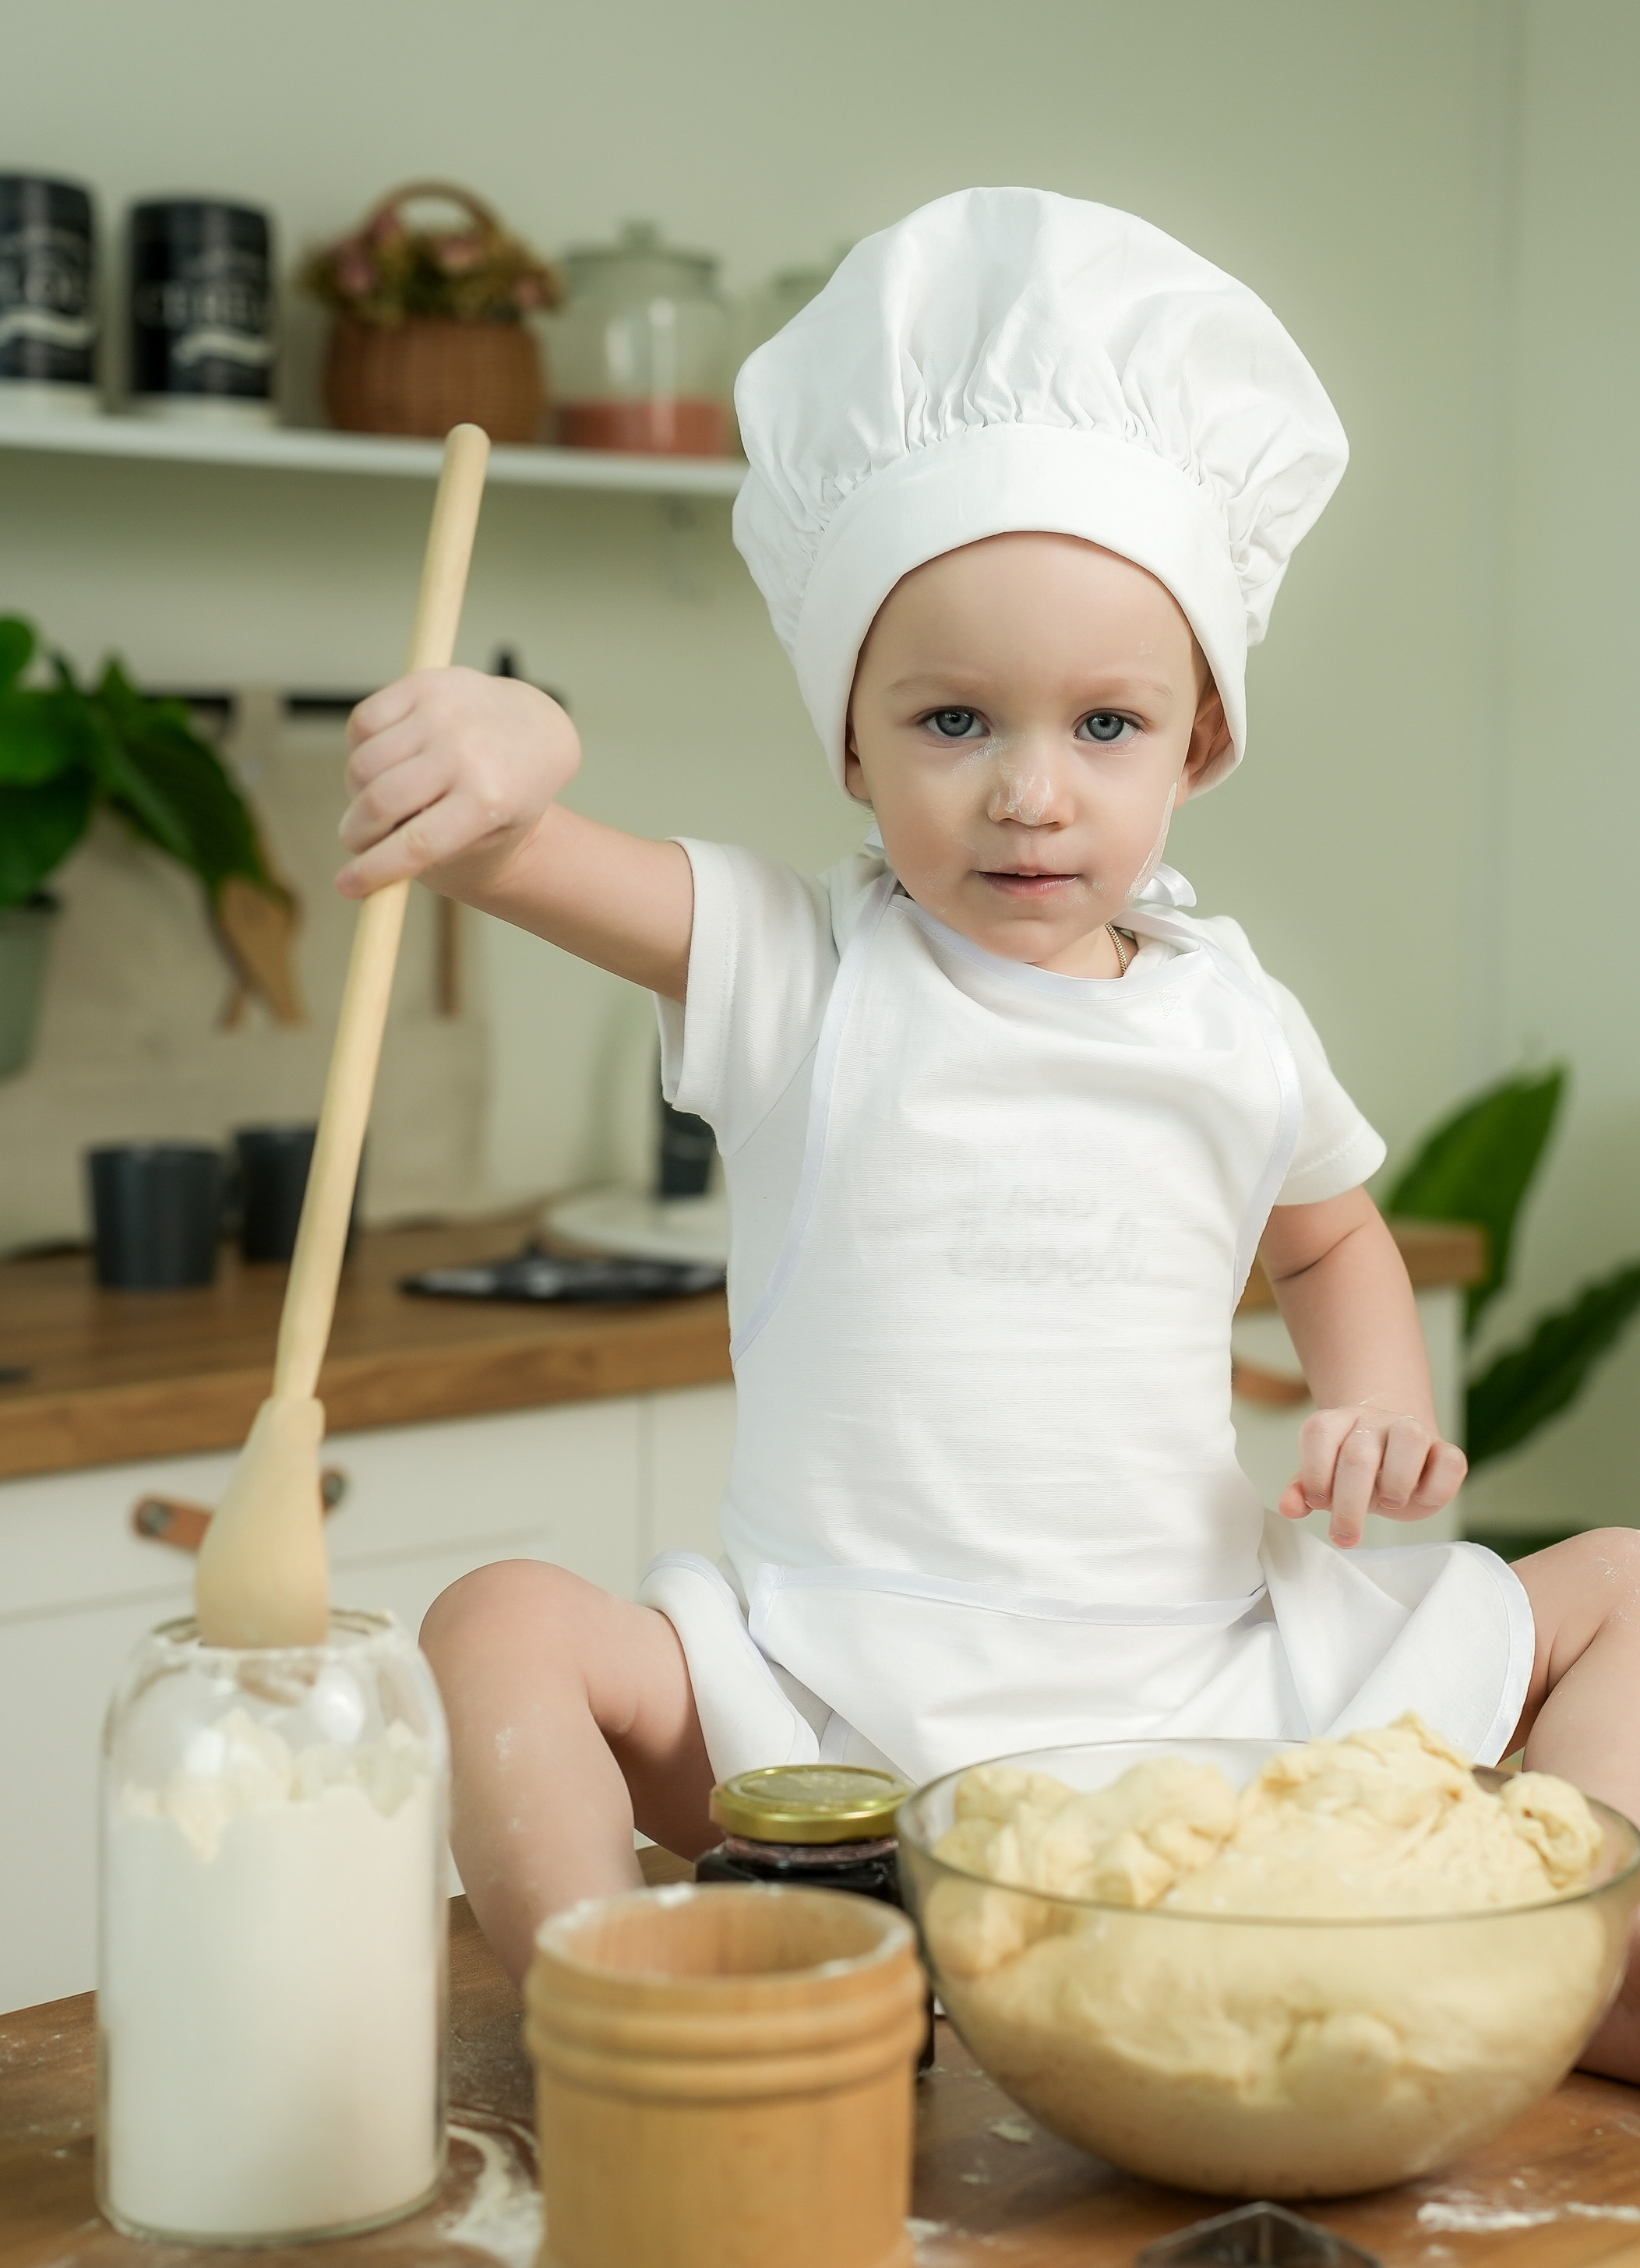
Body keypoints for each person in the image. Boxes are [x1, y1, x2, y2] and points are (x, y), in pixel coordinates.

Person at [338, 190, 1640, 2076]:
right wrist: (515, 752)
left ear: (1199, 741)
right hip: (832, 1738)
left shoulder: (1235, 1019)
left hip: (1226, 1712)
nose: (1032, 793)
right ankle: (627, 2022)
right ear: (851, 743)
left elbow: (1336, 1235)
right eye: (953, 718)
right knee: (496, 1619)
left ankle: (1537, 1953)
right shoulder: (799, 969)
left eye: (1106, 724)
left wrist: (1386, 1406)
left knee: (1622, 1576)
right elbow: (516, 855)